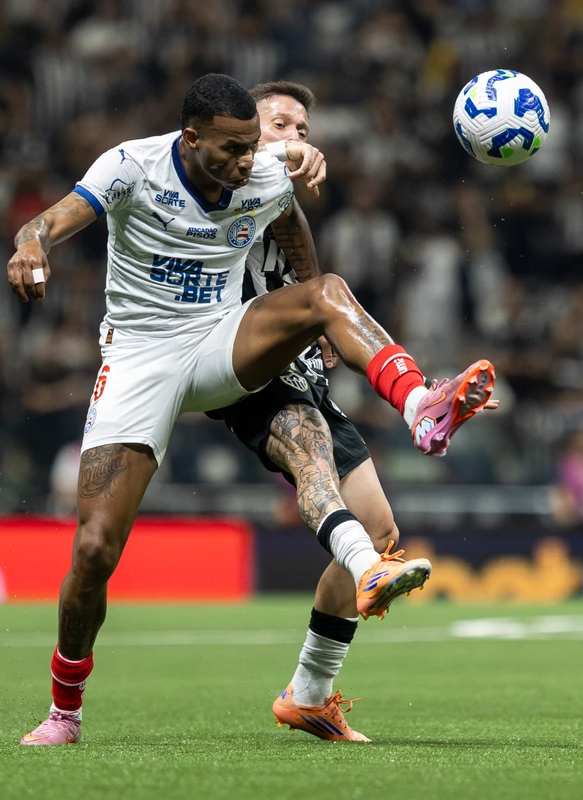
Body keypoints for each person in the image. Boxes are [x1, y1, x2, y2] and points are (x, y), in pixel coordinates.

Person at [7, 73, 497, 746]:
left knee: (327, 291)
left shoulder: (265, 176)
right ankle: (65, 710)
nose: (248, 163)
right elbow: (57, 217)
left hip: (219, 343)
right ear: (192, 138)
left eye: (253, 149)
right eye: (235, 149)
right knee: (93, 550)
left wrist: (316, 317)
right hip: (140, 359)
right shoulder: (131, 166)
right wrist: (31, 242)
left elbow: (295, 236)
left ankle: (419, 403)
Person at [207, 81, 483, 742]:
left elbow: (302, 258)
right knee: (314, 465)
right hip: (240, 365)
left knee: (382, 527)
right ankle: (420, 404)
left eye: (302, 127)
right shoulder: (216, 178)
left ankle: (308, 694)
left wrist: (322, 323)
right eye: (280, 124)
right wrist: (288, 158)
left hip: (299, 371)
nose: (295, 137)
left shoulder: (280, 201)